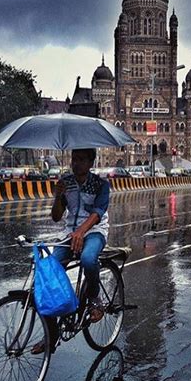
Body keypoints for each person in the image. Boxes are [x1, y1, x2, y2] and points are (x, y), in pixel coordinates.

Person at [32, 148, 110, 354]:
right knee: (49, 272)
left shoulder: (101, 185)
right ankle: (51, 334)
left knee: (87, 258)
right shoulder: (66, 183)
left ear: (91, 162)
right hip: (69, 234)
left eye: (82, 160)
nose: (76, 164)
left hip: (94, 232)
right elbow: (56, 217)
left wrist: (81, 232)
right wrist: (58, 196)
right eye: (74, 159)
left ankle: (94, 298)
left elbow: (97, 214)